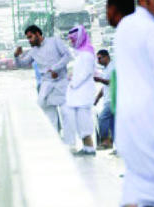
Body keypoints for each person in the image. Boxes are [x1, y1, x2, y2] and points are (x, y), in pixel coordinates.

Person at [110, 0, 154, 207]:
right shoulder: (151, 29)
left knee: (135, 170)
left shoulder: (124, 27)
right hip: (152, 111)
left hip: (126, 113)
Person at [14, 25, 72, 131]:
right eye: (28, 38)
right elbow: (22, 65)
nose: (29, 41)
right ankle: (54, 142)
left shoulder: (55, 41)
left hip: (62, 82)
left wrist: (55, 68)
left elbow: (68, 56)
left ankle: (70, 144)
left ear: (37, 34)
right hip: (46, 84)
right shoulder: (33, 51)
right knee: (48, 116)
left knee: (67, 114)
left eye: (30, 37)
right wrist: (16, 56)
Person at [61, 25, 97, 156]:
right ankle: (86, 148)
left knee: (84, 123)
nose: (71, 42)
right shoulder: (81, 53)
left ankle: (90, 149)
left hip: (83, 93)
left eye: (72, 39)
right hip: (78, 94)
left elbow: (86, 73)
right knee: (80, 123)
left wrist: (73, 84)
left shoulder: (87, 54)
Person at [94, 49, 115, 149]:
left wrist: (99, 79)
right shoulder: (105, 69)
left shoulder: (113, 67)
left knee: (102, 118)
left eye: (99, 58)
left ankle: (105, 141)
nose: (98, 61)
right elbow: (104, 87)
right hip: (107, 100)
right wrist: (97, 98)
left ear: (106, 57)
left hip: (113, 99)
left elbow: (112, 82)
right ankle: (116, 146)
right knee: (112, 124)